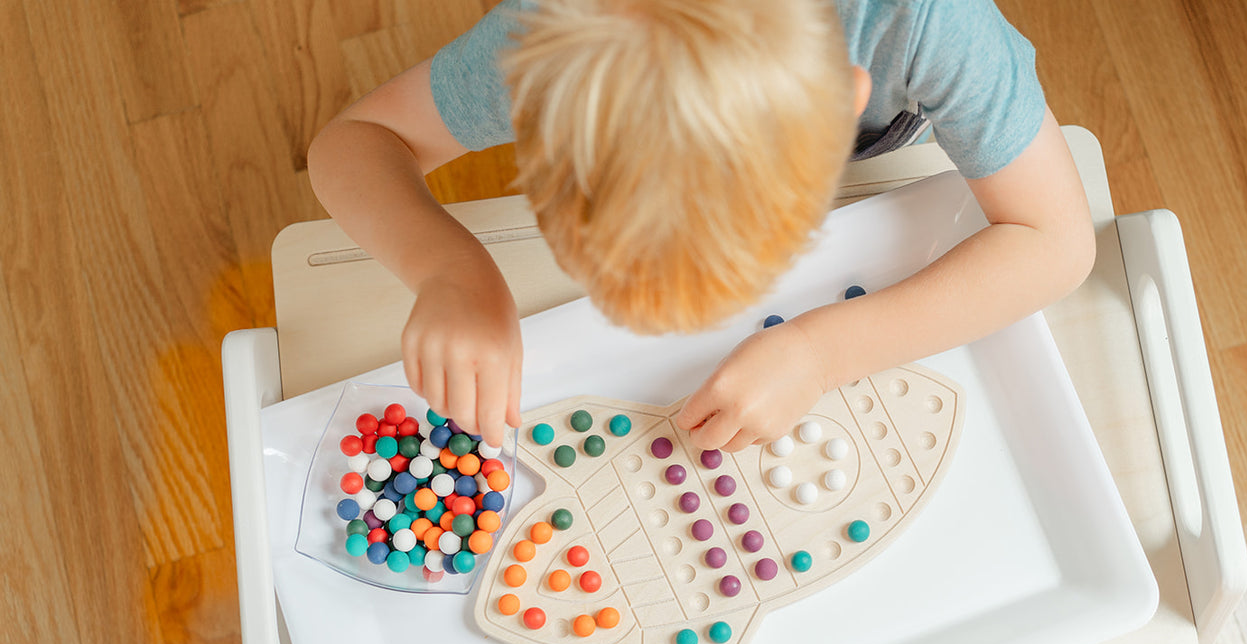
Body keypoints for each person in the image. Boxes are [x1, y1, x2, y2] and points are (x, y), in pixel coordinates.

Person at [307, 0, 1094, 451]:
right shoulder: (545, 33)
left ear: (845, 99)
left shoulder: (929, 25)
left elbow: (1056, 241)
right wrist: (452, 271)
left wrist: (822, 351)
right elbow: (354, 143)